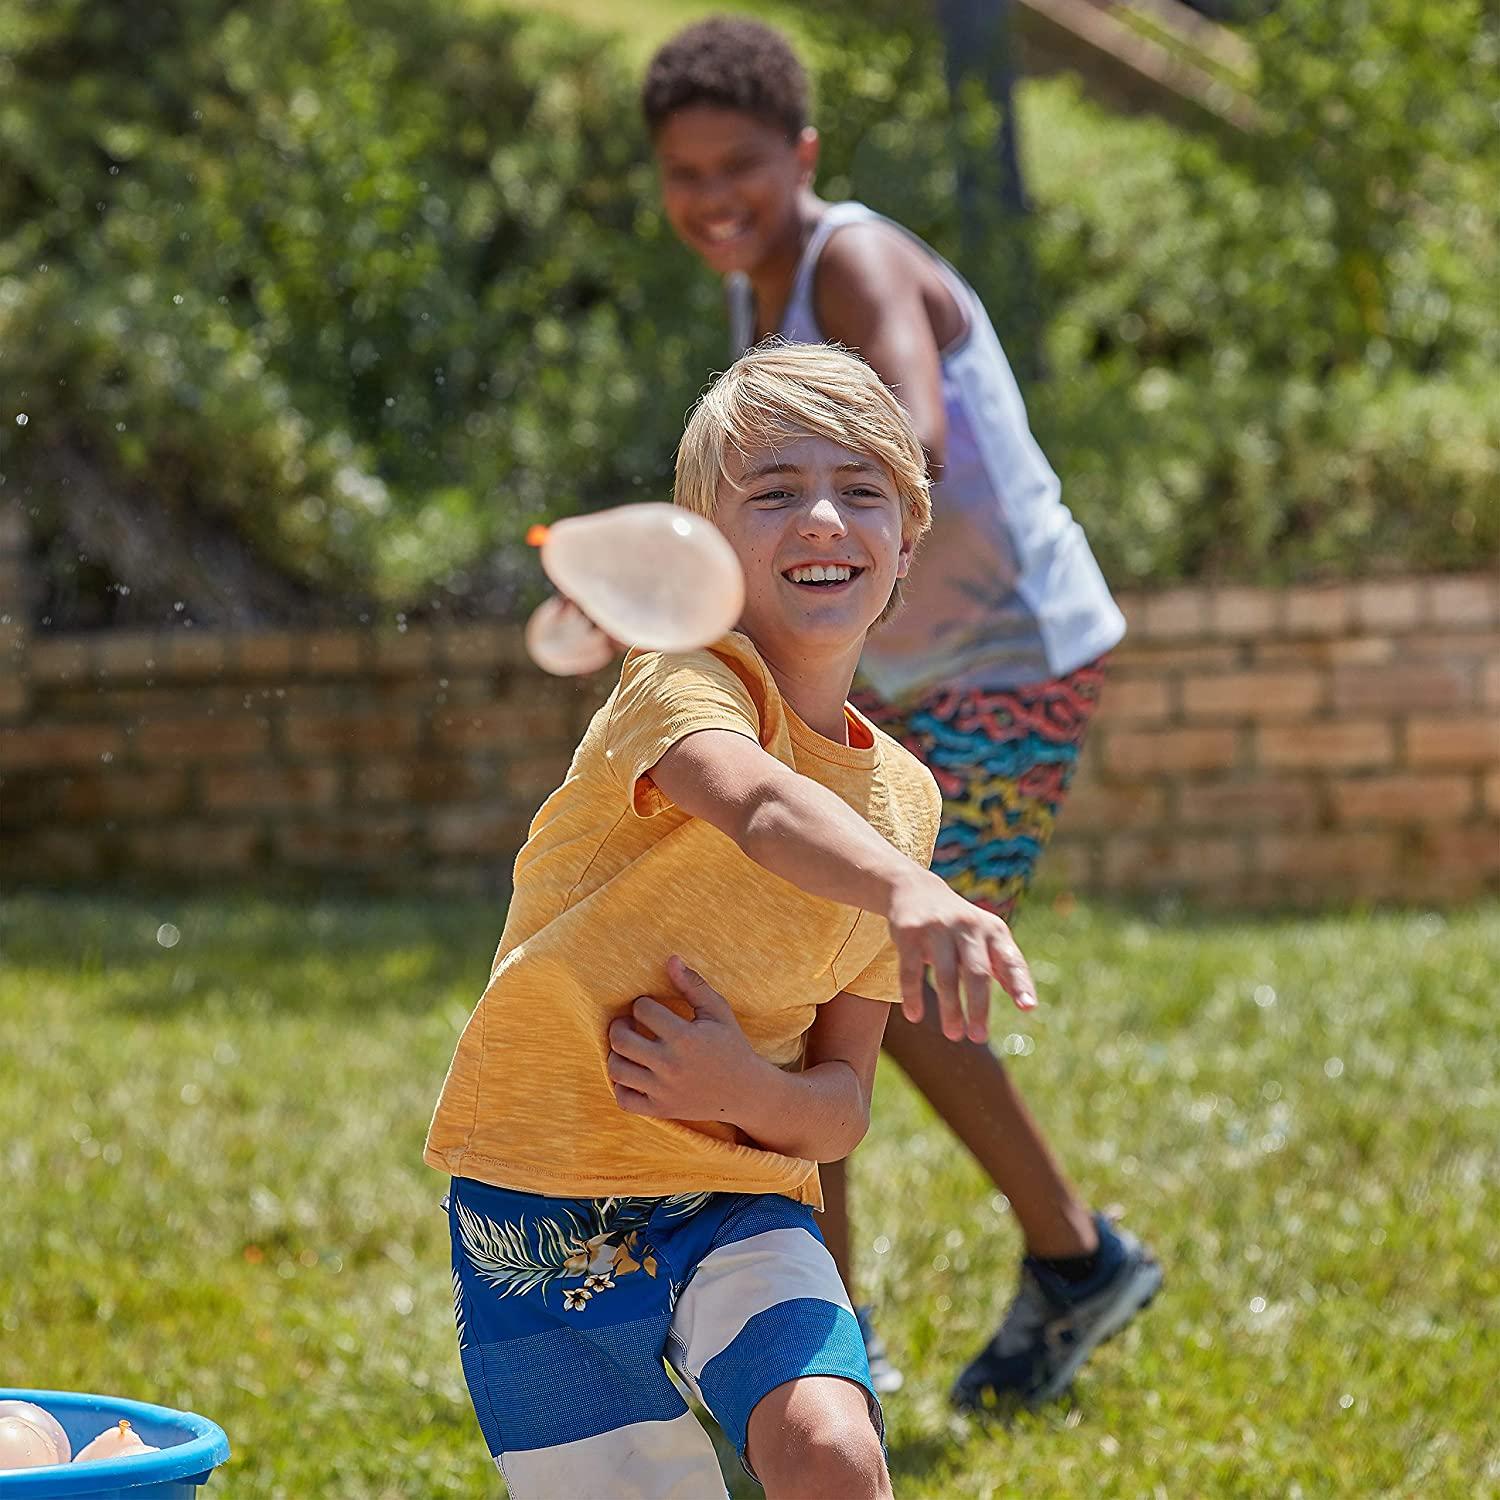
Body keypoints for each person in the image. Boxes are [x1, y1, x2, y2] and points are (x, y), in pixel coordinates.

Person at [642, 15, 1162, 1410]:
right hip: (879, 671)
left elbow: (911, 436)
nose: (713, 197)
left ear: (802, 153)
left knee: (888, 974)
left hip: (1009, 660)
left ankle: (1073, 1257)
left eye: (739, 164)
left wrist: (801, 517)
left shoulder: (850, 256)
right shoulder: (751, 302)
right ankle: (825, 1326)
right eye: (684, 173)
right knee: (818, 967)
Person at [425, 344, 1041, 1499]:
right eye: (774, 491)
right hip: (541, 1189)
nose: (822, 516)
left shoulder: (904, 804)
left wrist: (741, 1095)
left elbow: (841, 1107)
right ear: (698, 545)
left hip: (735, 1191)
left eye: (861, 491)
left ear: (907, 541)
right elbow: (757, 801)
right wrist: (911, 892)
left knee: (831, 1449)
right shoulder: (683, 681)